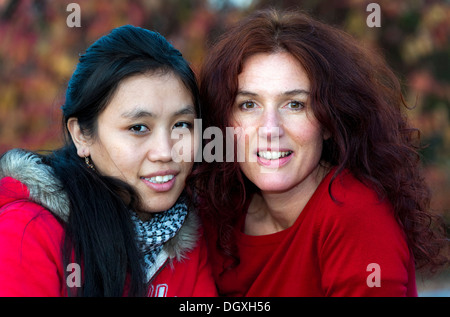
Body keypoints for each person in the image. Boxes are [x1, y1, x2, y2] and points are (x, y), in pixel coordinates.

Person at [193, 9, 448, 296]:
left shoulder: (355, 217)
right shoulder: (215, 214)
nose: (270, 129)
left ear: (328, 122)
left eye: (295, 105)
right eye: (249, 105)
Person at [0, 25, 217, 297]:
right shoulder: (27, 232)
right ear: (81, 135)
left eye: (181, 125)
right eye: (138, 127)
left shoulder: (187, 234)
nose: (165, 152)